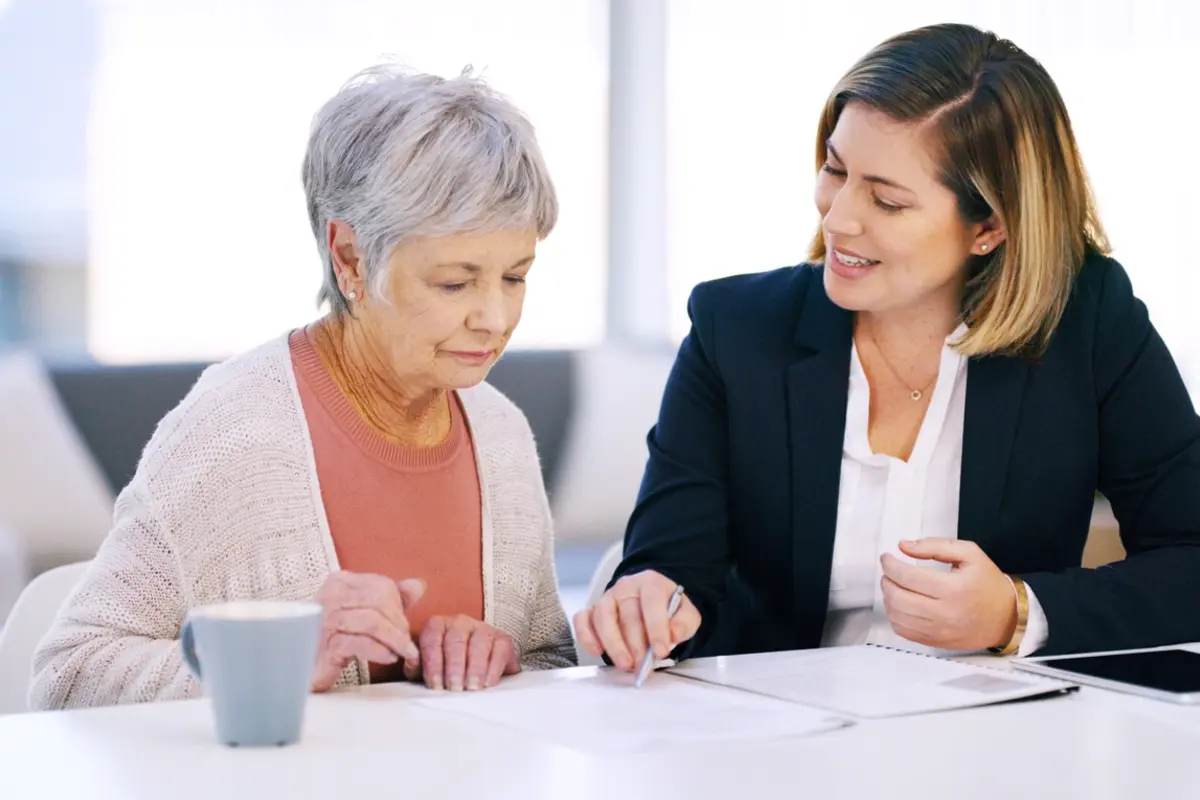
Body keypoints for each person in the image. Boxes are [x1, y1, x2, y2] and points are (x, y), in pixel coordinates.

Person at [575, 22, 1200, 671]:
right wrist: (651, 596)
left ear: (988, 225)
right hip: (774, 734)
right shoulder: (733, 328)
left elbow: (1191, 557)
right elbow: (672, 563)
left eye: (887, 200)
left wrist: (1016, 612)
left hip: (1000, 736)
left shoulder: (1089, 322)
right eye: (835, 169)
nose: (838, 216)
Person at [30, 64, 576, 710]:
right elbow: (68, 676)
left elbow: (552, 662)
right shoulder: (233, 429)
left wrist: (499, 657)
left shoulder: (501, 432)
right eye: (455, 283)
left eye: (515, 277)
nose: (496, 317)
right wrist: (273, 659)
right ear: (348, 258)